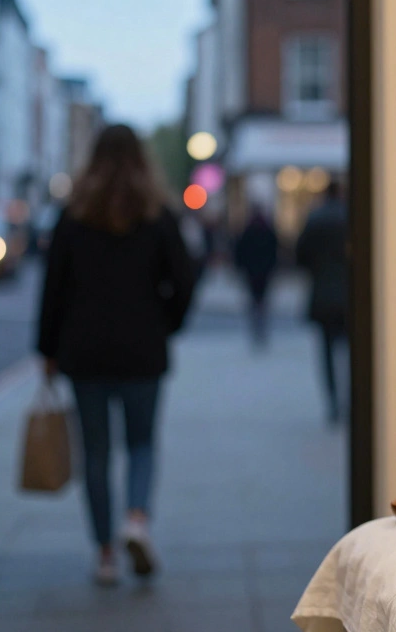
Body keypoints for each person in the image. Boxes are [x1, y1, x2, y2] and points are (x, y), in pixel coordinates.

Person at [38, 124, 196, 587]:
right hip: (143, 348)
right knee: (142, 443)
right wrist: (166, 324)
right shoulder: (158, 215)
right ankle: (137, 520)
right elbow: (184, 282)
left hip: (83, 351)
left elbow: (54, 291)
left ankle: (105, 553)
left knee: (96, 454)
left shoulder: (73, 216)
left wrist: (47, 348)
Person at [295, 181, 348, 424]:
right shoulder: (350, 217)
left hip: (323, 295)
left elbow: (300, 256)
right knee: (351, 353)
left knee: (326, 353)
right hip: (350, 297)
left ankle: (333, 402)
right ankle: (351, 400)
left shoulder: (315, 219)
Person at [233, 207, 279, 350]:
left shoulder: (248, 232)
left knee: (255, 301)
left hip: (252, 272)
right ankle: (260, 327)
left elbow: (239, 252)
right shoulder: (267, 232)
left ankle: (257, 326)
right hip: (263, 272)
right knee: (261, 301)